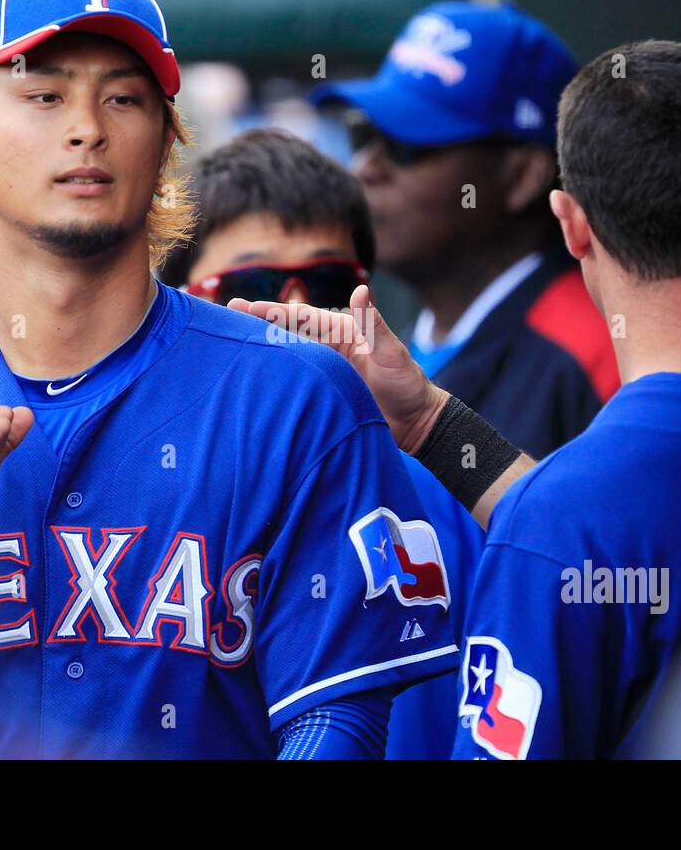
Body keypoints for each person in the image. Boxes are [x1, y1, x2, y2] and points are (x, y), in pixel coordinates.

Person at [0, 0, 457, 759]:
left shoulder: (293, 398)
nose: (87, 126)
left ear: (164, 141)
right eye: (46, 94)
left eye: (124, 98)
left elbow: (338, 719)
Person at [234, 40, 681, 759]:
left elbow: (598, 533)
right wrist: (430, 420)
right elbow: (634, 538)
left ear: (571, 223)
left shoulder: (576, 518)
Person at [164, 127, 483, 759]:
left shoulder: (444, 485)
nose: (297, 309)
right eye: (252, 282)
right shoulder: (138, 478)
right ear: (179, 300)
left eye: (330, 282)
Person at [313, 0, 618, 457]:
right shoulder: (407, 336)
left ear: (522, 176)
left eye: (405, 144)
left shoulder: (594, 352)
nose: (365, 167)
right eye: (363, 135)